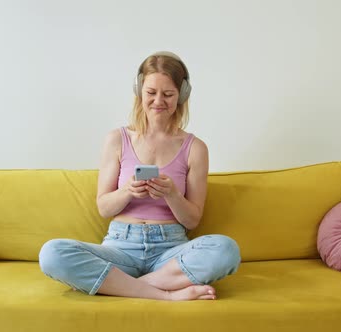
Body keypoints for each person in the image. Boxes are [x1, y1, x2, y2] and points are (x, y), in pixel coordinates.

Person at [39, 51, 241, 301]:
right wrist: (127, 191)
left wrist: (172, 195)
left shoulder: (195, 148)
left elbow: (192, 220)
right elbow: (103, 207)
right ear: (139, 91)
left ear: (182, 95)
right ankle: (166, 294)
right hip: (120, 247)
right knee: (52, 253)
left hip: (170, 252)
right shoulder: (117, 139)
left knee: (226, 250)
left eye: (168, 94)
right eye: (151, 93)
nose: (158, 101)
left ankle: (120, 286)